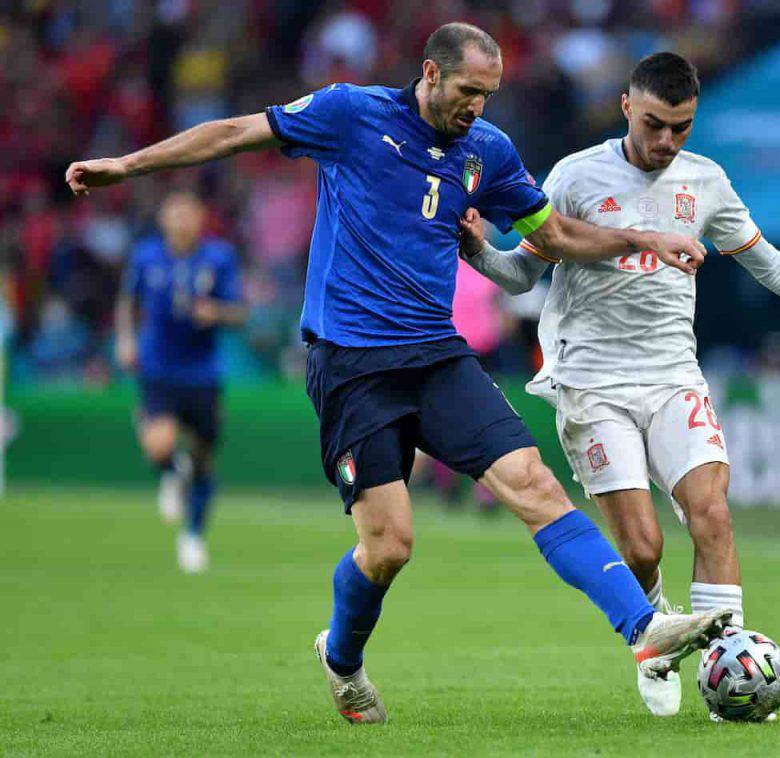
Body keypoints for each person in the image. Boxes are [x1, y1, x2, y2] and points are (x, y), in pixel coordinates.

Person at [66, 24, 732, 724]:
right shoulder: (350, 114)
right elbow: (235, 132)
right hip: (351, 365)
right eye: (468, 90)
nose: (478, 105)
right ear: (431, 74)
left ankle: (642, 630)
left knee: (533, 482)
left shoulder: (488, 152)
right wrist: (129, 165)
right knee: (389, 547)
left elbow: (552, 236)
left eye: (490, 94)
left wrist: (641, 238)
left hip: (436, 355)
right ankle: (342, 659)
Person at [459, 52, 780, 718]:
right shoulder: (574, 177)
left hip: (673, 374)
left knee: (712, 514)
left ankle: (730, 673)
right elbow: (520, 277)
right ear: (627, 107)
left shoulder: (705, 182)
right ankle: (652, 639)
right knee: (643, 547)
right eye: (653, 124)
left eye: (680, 128)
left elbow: (769, 265)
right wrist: (479, 250)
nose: (664, 142)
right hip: (591, 382)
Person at [115, 191, 246, 573]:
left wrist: (216, 312)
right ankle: (173, 472)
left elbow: (239, 312)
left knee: (205, 459)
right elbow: (127, 300)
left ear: (201, 217)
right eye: (175, 213)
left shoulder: (219, 257)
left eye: (189, 213)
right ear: (163, 218)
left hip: (203, 372)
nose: (182, 221)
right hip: (159, 366)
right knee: (159, 445)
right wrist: (125, 339)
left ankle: (193, 536)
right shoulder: (146, 255)